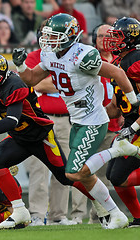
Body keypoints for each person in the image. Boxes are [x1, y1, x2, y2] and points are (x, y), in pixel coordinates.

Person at [11, 13, 138, 229]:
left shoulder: (83, 55)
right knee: (83, 177)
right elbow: (32, 79)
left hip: (93, 120)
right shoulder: (51, 55)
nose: (49, 40)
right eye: (48, 36)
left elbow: (117, 73)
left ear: (69, 36)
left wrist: (134, 101)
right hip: (77, 120)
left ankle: (118, 151)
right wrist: (21, 66)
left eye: (54, 36)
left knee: (73, 173)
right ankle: (116, 214)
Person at [0, 52, 100, 229]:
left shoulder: (15, 84)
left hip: (39, 137)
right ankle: (19, 210)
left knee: (66, 177)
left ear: (1, 76)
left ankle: (101, 201)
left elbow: (12, 120)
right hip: (19, 137)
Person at [24, 20, 84, 226]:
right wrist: (60, 79)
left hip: (66, 119)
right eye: (45, 33)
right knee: (39, 168)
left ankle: (58, 215)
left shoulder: (70, 56)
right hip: (40, 119)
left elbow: (67, 79)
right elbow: (33, 81)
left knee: (65, 168)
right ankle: (37, 214)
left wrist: (54, 80)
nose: (49, 38)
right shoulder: (34, 57)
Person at [89, 17, 140, 227]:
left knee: (120, 175)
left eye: (117, 37)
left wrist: (134, 127)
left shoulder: (136, 61)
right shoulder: (118, 62)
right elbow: (116, 106)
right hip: (130, 124)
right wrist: (92, 114)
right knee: (113, 175)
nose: (112, 41)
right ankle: (138, 217)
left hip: (137, 125)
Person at [87, 23, 121, 224]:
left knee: (109, 175)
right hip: (97, 124)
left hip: (118, 124)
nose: (105, 40)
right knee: (91, 172)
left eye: (109, 36)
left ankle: (106, 215)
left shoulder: (120, 60)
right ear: (95, 38)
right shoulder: (90, 60)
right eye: (101, 36)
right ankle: (93, 216)